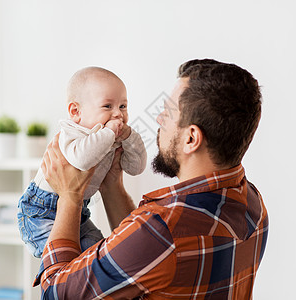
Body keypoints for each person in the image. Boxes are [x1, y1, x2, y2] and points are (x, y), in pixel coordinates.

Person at [34, 59, 269, 299]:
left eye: (167, 113)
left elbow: (56, 293)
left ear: (191, 138)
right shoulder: (253, 205)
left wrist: (70, 197)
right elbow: (148, 260)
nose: (158, 120)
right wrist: (112, 186)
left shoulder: (162, 229)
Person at [17, 66, 147, 258]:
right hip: (41, 212)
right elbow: (82, 160)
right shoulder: (72, 132)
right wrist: (110, 133)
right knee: (64, 263)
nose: (118, 114)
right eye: (107, 106)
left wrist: (129, 136)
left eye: (123, 106)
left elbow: (136, 167)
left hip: (80, 212)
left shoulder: (107, 137)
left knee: (100, 255)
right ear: (76, 111)